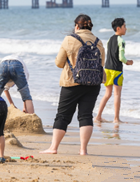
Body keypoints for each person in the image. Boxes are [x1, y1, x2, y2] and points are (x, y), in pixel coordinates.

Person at [41, 14, 105, 156]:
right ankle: (83, 150)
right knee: (86, 115)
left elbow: (59, 63)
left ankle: (53, 147)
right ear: (90, 26)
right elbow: (101, 64)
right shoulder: (99, 42)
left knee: (63, 115)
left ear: (77, 26)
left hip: (72, 82)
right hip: (93, 83)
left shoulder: (70, 39)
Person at [95, 18, 133, 124]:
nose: (126, 28)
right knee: (117, 95)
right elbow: (121, 57)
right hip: (116, 70)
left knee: (107, 94)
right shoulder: (121, 40)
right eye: (124, 26)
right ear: (118, 28)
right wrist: (128, 62)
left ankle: (98, 116)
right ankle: (116, 119)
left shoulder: (109, 39)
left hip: (107, 69)